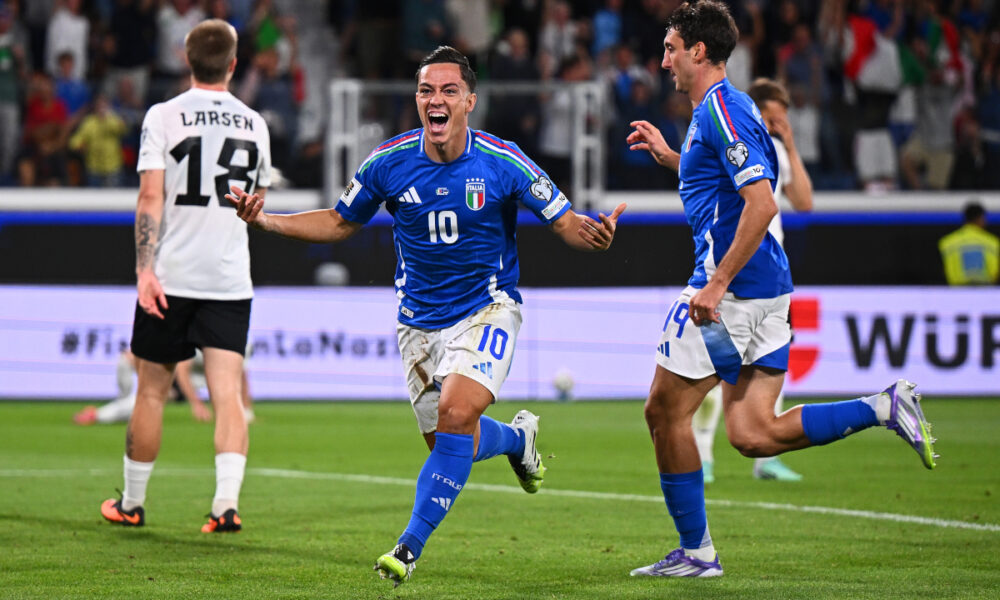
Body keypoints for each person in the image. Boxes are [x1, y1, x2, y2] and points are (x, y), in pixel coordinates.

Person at [228, 46, 625, 586]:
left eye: (447, 91)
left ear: (469, 101)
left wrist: (595, 237)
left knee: (457, 416)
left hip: (489, 309)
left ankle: (406, 549)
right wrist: (267, 222)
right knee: (448, 444)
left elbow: (565, 223)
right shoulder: (387, 162)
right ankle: (516, 440)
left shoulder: (504, 161)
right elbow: (341, 222)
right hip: (418, 325)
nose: (435, 100)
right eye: (425, 91)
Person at [625, 1, 935, 579]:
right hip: (769, 292)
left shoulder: (722, 111)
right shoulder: (716, 112)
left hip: (734, 295)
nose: (662, 59)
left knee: (664, 412)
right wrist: (676, 159)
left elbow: (763, 202)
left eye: (670, 48)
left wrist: (716, 284)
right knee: (753, 433)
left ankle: (697, 553)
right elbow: (726, 184)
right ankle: (882, 405)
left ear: (698, 50)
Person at [99, 19, 272, 535]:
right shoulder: (254, 123)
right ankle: (225, 506)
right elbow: (257, 204)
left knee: (151, 391)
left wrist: (144, 269)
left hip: (172, 275)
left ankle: (132, 503)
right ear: (234, 64)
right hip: (228, 277)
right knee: (227, 393)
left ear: (185, 58)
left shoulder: (164, 115)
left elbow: (150, 196)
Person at [692, 77, 814, 484]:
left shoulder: (774, 148)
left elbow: (805, 202)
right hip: (736, 269)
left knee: (763, 372)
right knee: (710, 374)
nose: (778, 125)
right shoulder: (738, 138)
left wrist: (792, 145)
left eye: (784, 119)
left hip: (769, 276)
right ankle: (704, 456)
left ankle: (766, 461)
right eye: (774, 117)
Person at [74, 348, 255, 426]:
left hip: (186, 385)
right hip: (169, 374)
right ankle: (121, 402)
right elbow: (182, 370)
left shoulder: (236, 342)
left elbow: (242, 376)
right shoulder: (199, 330)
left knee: (140, 402)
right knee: (126, 359)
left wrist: (247, 410)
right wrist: (197, 404)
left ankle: (96, 415)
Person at [938, 201, 999, 285]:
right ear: (980, 218)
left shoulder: (947, 242)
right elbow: (995, 273)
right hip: (985, 292)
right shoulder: (992, 242)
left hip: (956, 293)